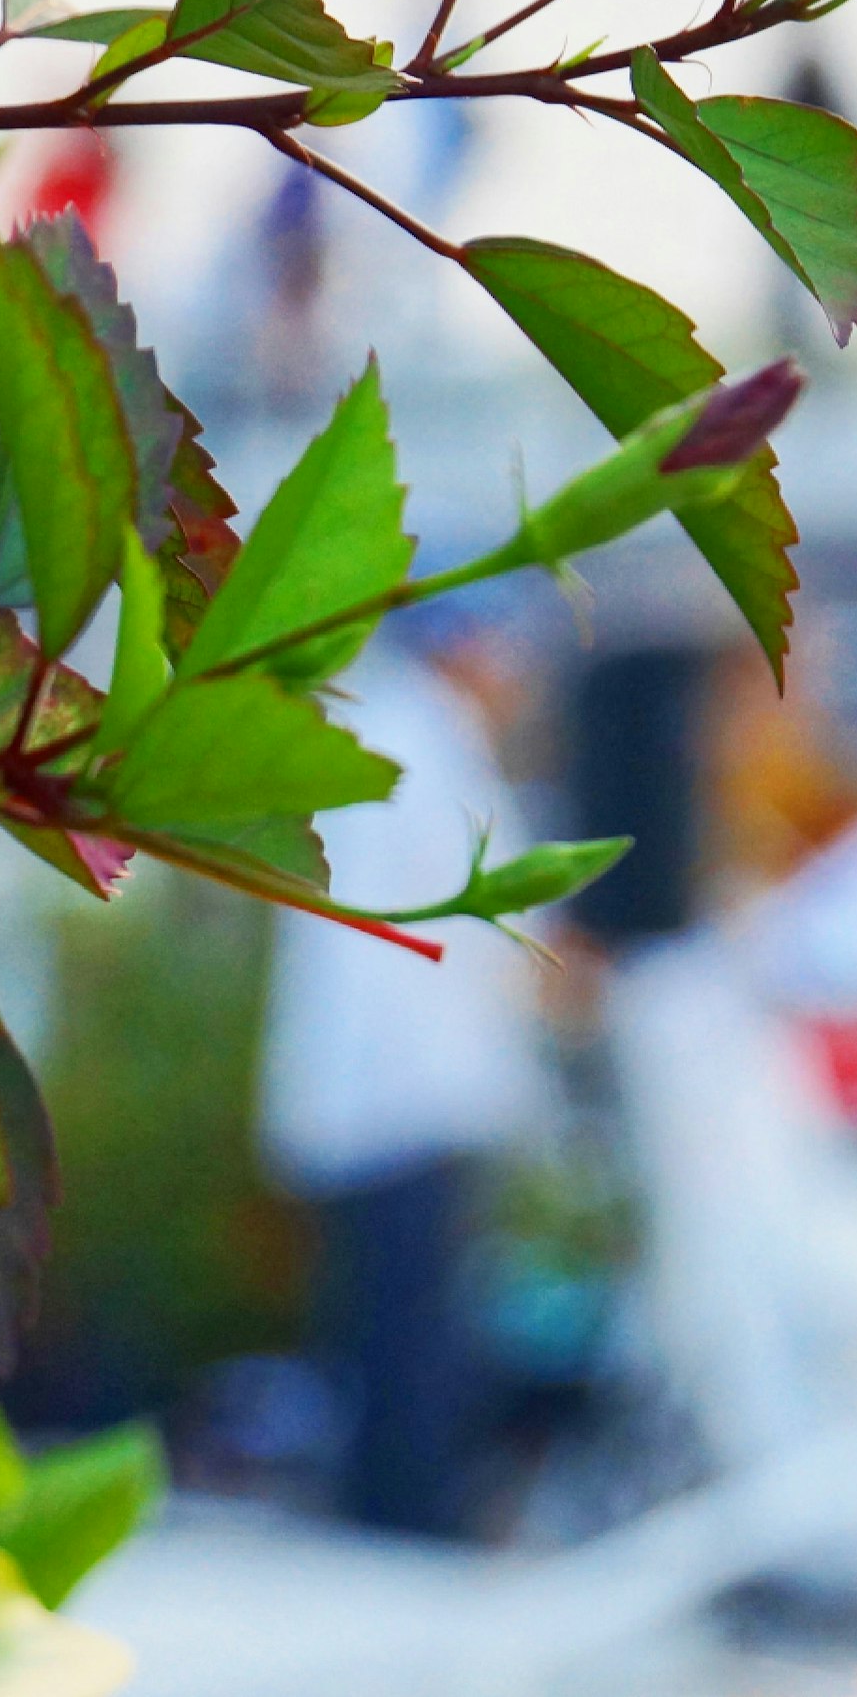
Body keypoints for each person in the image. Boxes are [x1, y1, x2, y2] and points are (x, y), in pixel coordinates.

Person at [256, 600, 551, 1536]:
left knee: (384, 1322)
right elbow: (497, 915)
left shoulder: (392, 735)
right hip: (412, 1086)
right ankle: (411, 1519)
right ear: (468, 645)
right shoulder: (429, 747)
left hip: (380, 1085)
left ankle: (387, 1509)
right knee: (412, 1328)